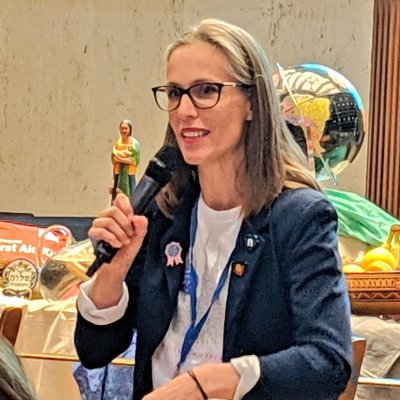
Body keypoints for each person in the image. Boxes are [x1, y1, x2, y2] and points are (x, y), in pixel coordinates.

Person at [75, 18, 352, 400]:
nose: (184, 110)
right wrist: (113, 272)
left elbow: (328, 361)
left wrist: (206, 385)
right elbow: (94, 351)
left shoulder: (299, 217)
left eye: (206, 91)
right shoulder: (162, 212)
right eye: (175, 93)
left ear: (252, 103)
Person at [111, 119, 141, 202]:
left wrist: (121, 158)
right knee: (116, 189)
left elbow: (135, 160)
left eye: (126, 128)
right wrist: (125, 158)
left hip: (130, 171)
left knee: (132, 189)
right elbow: (114, 157)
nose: (124, 130)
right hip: (118, 170)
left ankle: (133, 206)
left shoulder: (134, 143)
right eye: (122, 128)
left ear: (130, 129)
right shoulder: (118, 143)